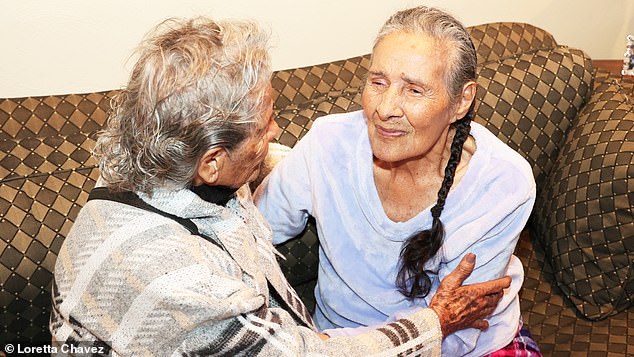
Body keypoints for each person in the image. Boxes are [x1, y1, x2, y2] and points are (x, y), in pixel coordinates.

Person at [49, 16, 511, 356]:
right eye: (263, 125)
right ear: (211, 161)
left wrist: (314, 163)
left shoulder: (176, 172)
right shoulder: (176, 277)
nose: (275, 133)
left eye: (413, 88)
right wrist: (435, 321)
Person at [255, 6, 541, 357]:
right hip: (344, 345)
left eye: (414, 90)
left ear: (461, 101)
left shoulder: (503, 183)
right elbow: (255, 232)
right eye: (378, 82)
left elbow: (456, 332)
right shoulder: (326, 145)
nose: (385, 107)